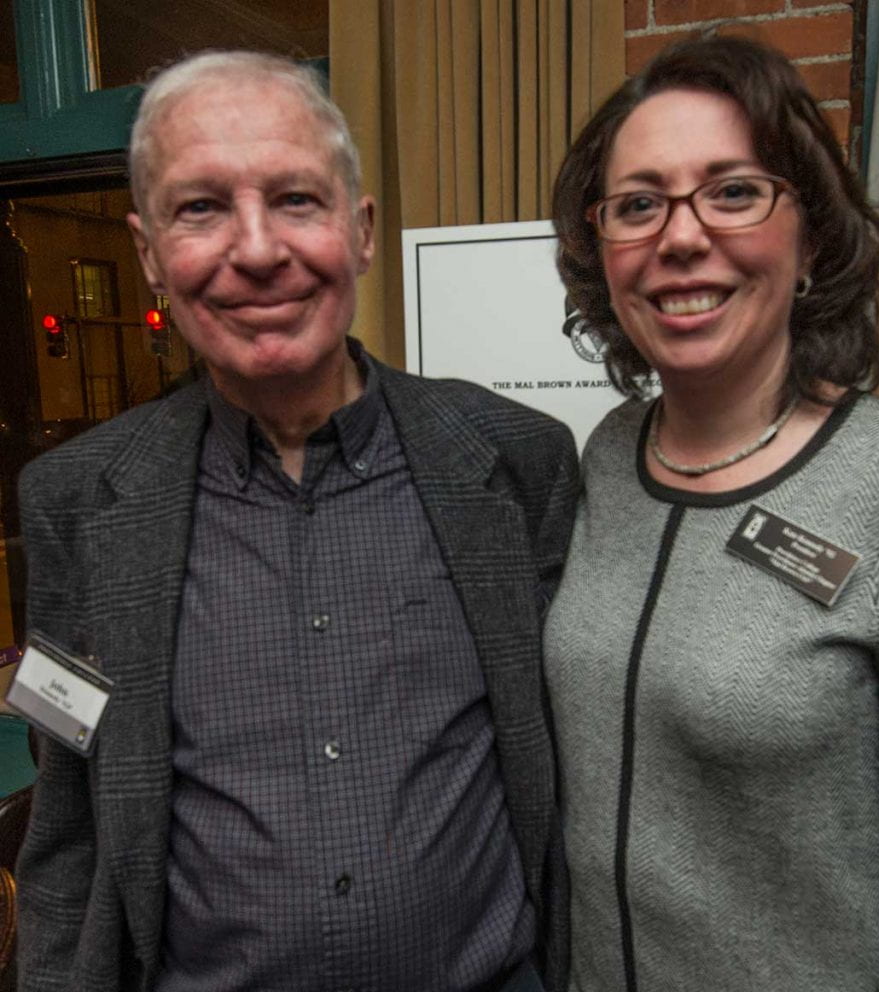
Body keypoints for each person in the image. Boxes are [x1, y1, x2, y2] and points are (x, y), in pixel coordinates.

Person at [16, 50, 576, 992]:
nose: (259, 248)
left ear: (359, 230)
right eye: (200, 208)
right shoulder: (75, 502)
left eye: (296, 200)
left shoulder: (517, 463)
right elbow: (69, 831)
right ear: (150, 251)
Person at [544, 35, 879, 992]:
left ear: (809, 235)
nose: (681, 237)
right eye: (639, 204)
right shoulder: (605, 456)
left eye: (733, 190)